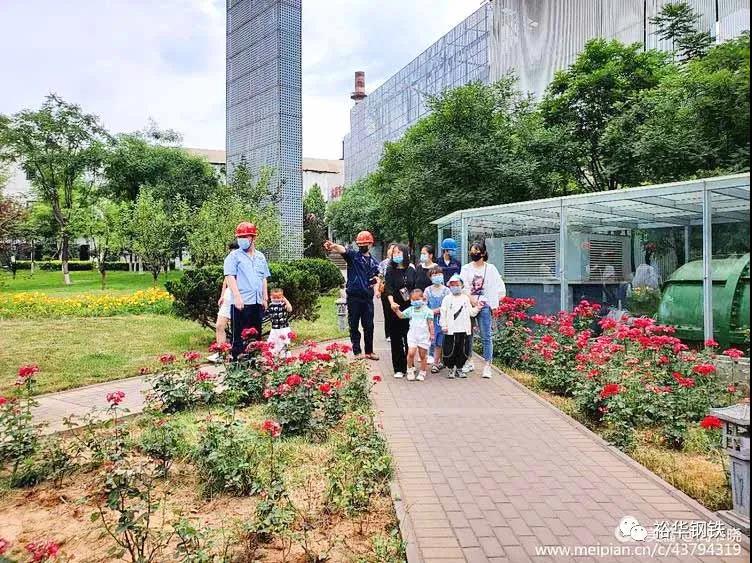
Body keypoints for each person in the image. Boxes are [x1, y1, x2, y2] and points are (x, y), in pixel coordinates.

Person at [324, 232, 380, 360]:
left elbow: (377, 279)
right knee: (354, 325)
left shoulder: (374, 263)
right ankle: (357, 351)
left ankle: (369, 351)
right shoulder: (353, 257)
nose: (362, 246)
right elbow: (343, 250)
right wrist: (333, 246)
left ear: (371, 244)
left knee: (369, 326)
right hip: (354, 297)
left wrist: (377, 289)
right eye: (360, 244)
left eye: (365, 244)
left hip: (367, 298)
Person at [224, 222, 270, 360]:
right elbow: (230, 277)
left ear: (253, 238)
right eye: (240, 237)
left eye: (245, 237)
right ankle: (237, 365)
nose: (242, 240)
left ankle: (254, 363)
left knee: (255, 337)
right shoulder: (233, 256)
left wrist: (265, 297)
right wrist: (237, 296)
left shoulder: (260, 257)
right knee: (239, 338)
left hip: (257, 302)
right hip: (241, 303)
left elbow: (263, 278)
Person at [460, 241, 505, 379]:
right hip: (469, 304)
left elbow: (498, 288)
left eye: (476, 251)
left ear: (483, 253)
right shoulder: (466, 268)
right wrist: (472, 300)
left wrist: (493, 304)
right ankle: (469, 360)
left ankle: (487, 365)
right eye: (472, 251)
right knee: (468, 334)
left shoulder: (490, 269)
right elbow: (463, 287)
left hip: (484, 306)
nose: (473, 253)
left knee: (486, 336)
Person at [385, 243, 417, 378]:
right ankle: (398, 368)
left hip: (410, 307)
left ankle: (409, 364)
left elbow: (415, 288)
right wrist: (392, 303)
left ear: (405, 254)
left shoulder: (411, 270)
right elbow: (389, 289)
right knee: (396, 338)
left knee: (409, 337)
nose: (396, 255)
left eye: (399, 252)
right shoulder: (390, 270)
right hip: (395, 308)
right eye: (394, 253)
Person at [440, 275, 480, 379]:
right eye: (452, 285)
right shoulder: (447, 299)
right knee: (450, 350)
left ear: (462, 286)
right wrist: (443, 325)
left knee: (463, 350)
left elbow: (471, 312)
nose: (455, 287)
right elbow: (443, 313)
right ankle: (450, 369)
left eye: (457, 284)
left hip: (464, 329)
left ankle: (459, 368)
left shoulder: (465, 298)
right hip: (451, 330)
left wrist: (478, 307)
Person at [393, 288, 434, 381]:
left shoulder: (428, 311)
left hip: (424, 336)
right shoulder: (410, 310)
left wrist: (432, 334)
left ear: (423, 299)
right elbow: (401, 315)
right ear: (411, 300)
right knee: (411, 353)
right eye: (413, 300)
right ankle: (410, 370)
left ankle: (422, 371)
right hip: (412, 335)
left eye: (418, 299)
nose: (416, 302)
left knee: (423, 355)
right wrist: (396, 310)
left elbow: (430, 323)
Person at [209, 241, 240, 362]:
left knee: (237, 328)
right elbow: (226, 280)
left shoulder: (243, 262)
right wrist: (222, 296)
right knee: (219, 325)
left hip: (239, 298)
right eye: (230, 250)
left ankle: (237, 353)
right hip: (228, 298)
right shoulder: (229, 261)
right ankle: (221, 353)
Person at [425, 266, 449, 373]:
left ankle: (438, 362)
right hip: (431, 321)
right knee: (433, 341)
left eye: (439, 274)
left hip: (443, 320)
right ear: (430, 277)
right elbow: (424, 304)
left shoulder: (447, 290)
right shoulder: (427, 290)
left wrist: (435, 310)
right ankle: (434, 362)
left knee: (441, 341)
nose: (437, 277)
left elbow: (448, 305)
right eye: (434, 275)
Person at [266, 287, 293, 357]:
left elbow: (290, 309)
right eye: (274, 297)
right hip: (274, 328)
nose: (276, 299)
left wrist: (285, 301)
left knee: (284, 342)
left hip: (283, 328)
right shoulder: (270, 305)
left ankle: (285, 356)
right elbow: (267, 313)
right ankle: (273, 355)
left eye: (278, 297)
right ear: (271, 297)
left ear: (282, 297)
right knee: (273, 341)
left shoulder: (283, 305)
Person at [378, 243, 397, 342]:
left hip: (396, 290)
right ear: (388, 251)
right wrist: (378, 289)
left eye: (395, 250)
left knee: (397, 311)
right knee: (387, 312)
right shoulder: (383, 263)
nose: (392, 251)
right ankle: (388, 334)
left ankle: (397, 333)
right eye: (391, 249)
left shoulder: (399, 262)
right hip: (385, 290)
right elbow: (380, 277)